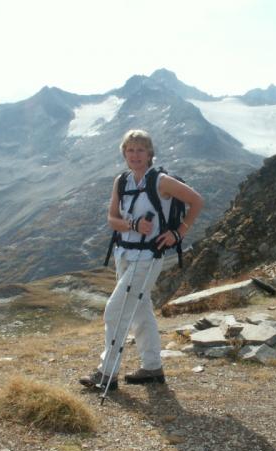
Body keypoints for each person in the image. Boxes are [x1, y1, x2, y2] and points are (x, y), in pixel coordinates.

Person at [80, 129, 203, 389]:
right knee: (140, 310)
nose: (135, 155)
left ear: (150, 154)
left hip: (148, 256)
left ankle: (107, 373)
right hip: (123, 253)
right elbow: (112, 219)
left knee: (116, 311)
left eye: (140, 150)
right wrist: (134, 225)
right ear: (124, 153)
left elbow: (196, 201)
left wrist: (179, 233)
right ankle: (152, 368)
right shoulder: (121, 182)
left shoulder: (161, 181)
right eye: (130, 150)